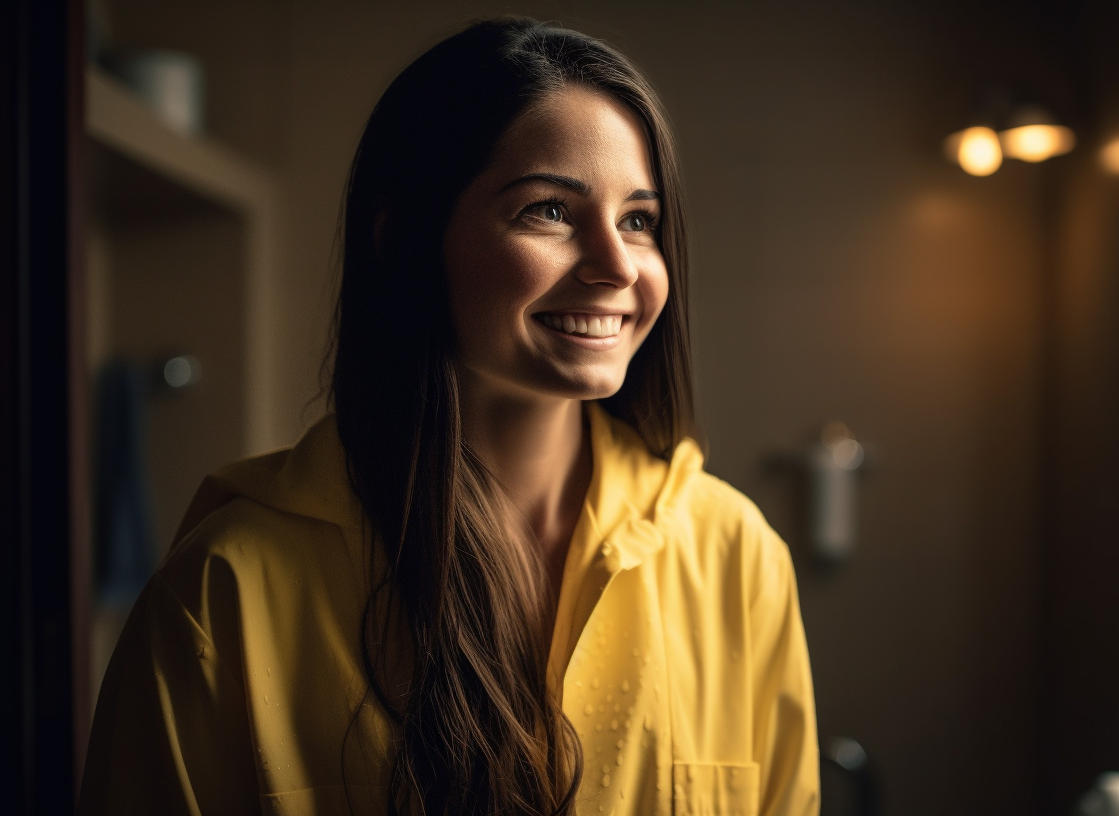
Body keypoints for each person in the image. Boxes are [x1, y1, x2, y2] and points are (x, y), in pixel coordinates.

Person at [79, 18, 818, 816]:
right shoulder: (221, 592)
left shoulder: (739, 558)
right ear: (405, 241)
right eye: (550, 211)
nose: (616, 267)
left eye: (638, 220)